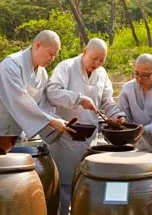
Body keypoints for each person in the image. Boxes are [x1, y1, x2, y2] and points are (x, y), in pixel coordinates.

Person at [46, 38, 126, 215]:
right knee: (64, 185)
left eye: (101, 60)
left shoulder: (102, 74)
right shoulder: (66, 67)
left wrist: (118, 115)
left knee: (85, 184)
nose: (97, 63)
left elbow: (107, 101)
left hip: (89, 139)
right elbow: (51, 93)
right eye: (94, 58)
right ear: (84, 51)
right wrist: (79, 99)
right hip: (66, 137)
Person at [0, 30, 74, 154]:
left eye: (54, 55)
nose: (52, 59)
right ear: (37, 45)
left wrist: (60, 125)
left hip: (10, 137)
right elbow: (19, 101)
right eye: (50, 54)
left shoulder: (42, 74)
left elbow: (41, 107)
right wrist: (51, 121)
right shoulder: (10, 65)